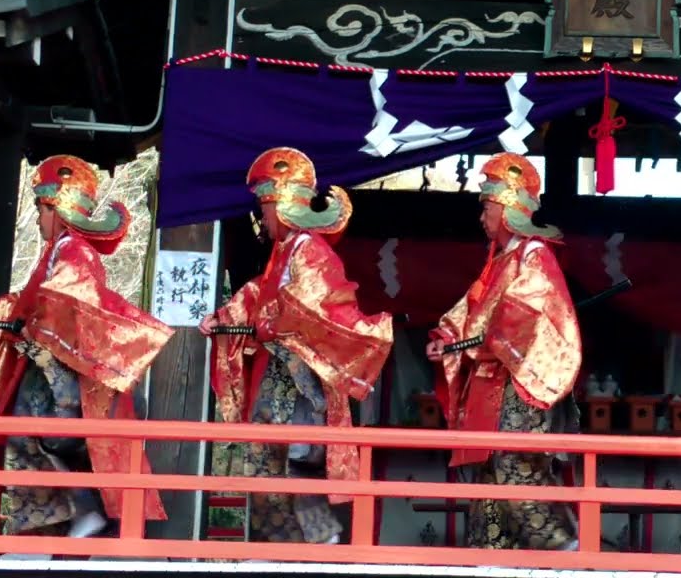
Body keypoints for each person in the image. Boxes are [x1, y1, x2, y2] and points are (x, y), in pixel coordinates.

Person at [0, 155, 170, 544]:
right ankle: (65, 520)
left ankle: (58, 524)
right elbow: (29, 302)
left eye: (41, 209)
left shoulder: (78, 252)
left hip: (71, 373)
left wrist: (33, 321)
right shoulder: (57, 252)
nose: (39, 219)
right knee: (26, 432)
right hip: (51, 365)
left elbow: (68, 301)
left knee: (33, 431)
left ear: (57, 208)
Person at [199, 147, 394, 544]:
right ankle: (289, 543)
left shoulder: (312, 253)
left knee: (288, 457)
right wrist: (224, 318)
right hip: (283, 371)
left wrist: (274, 322)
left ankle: (311, 539)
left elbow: (312, 306)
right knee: (270, 458)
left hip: (301, 374)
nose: (263, 216)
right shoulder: (285, 254)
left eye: (266, 206)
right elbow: (258, 295)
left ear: (285, 205)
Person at [426, 152, 581, 551]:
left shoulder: (534, 257)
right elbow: (471, 309)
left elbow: (524, 316)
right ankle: (490, 561)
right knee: (488, 483)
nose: (482, 218)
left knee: (517, 470)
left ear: (509, 208)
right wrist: (448, 336)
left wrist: (480, 337)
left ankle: (562, 550)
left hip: (520, 384)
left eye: (488, 207)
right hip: (490, 382)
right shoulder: (497, 263)